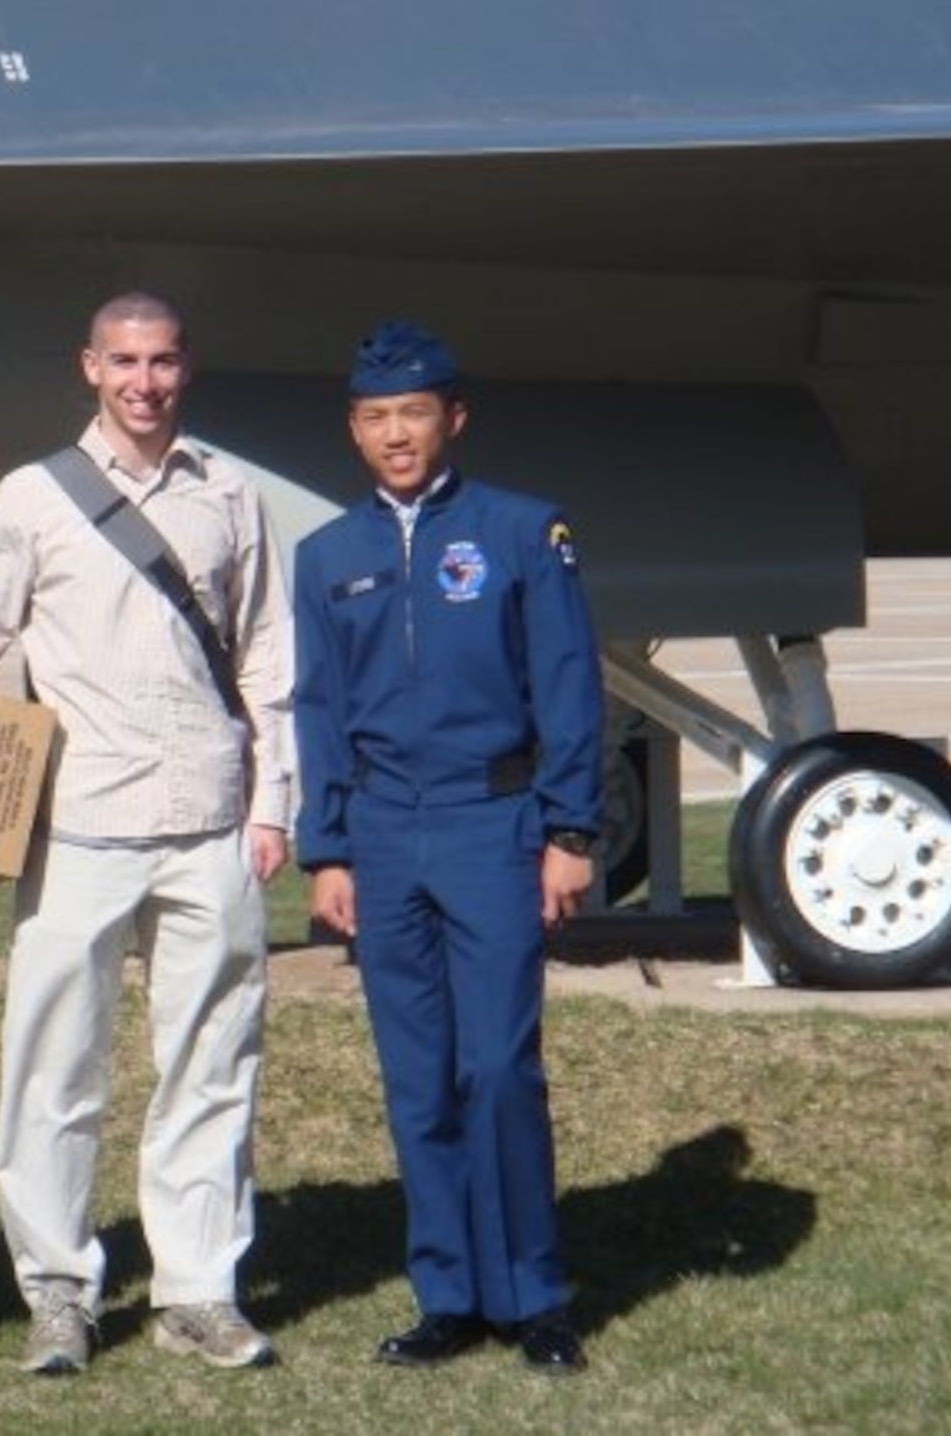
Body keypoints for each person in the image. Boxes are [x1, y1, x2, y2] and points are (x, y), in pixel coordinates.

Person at [0, 291, 294, 1375]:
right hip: (79, 822)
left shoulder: (229, 494)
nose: (145, 382)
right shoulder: (33, 498)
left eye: (164, 362)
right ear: (89, 367)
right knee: (52, 1069)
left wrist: (273, 803)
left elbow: (268, 659)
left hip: (208, 821)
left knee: (211, 1062)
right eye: (125, 361)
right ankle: (56, 1291)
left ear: (186, 369)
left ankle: (196, 1290)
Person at [291, 319, 603, 1377]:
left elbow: (567, 684)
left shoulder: (523, 533)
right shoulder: (325, 556)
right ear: (352, 429)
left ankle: (532, 1293)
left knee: (498, 1067)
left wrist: (567, 829)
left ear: (450, 418)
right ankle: (447, 1294)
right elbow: (318, 710)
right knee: (416, 1079)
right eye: (375, 417)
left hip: (489, 824)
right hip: (380, 835)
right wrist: (327, 849)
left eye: (413, 413)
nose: (395, 434)